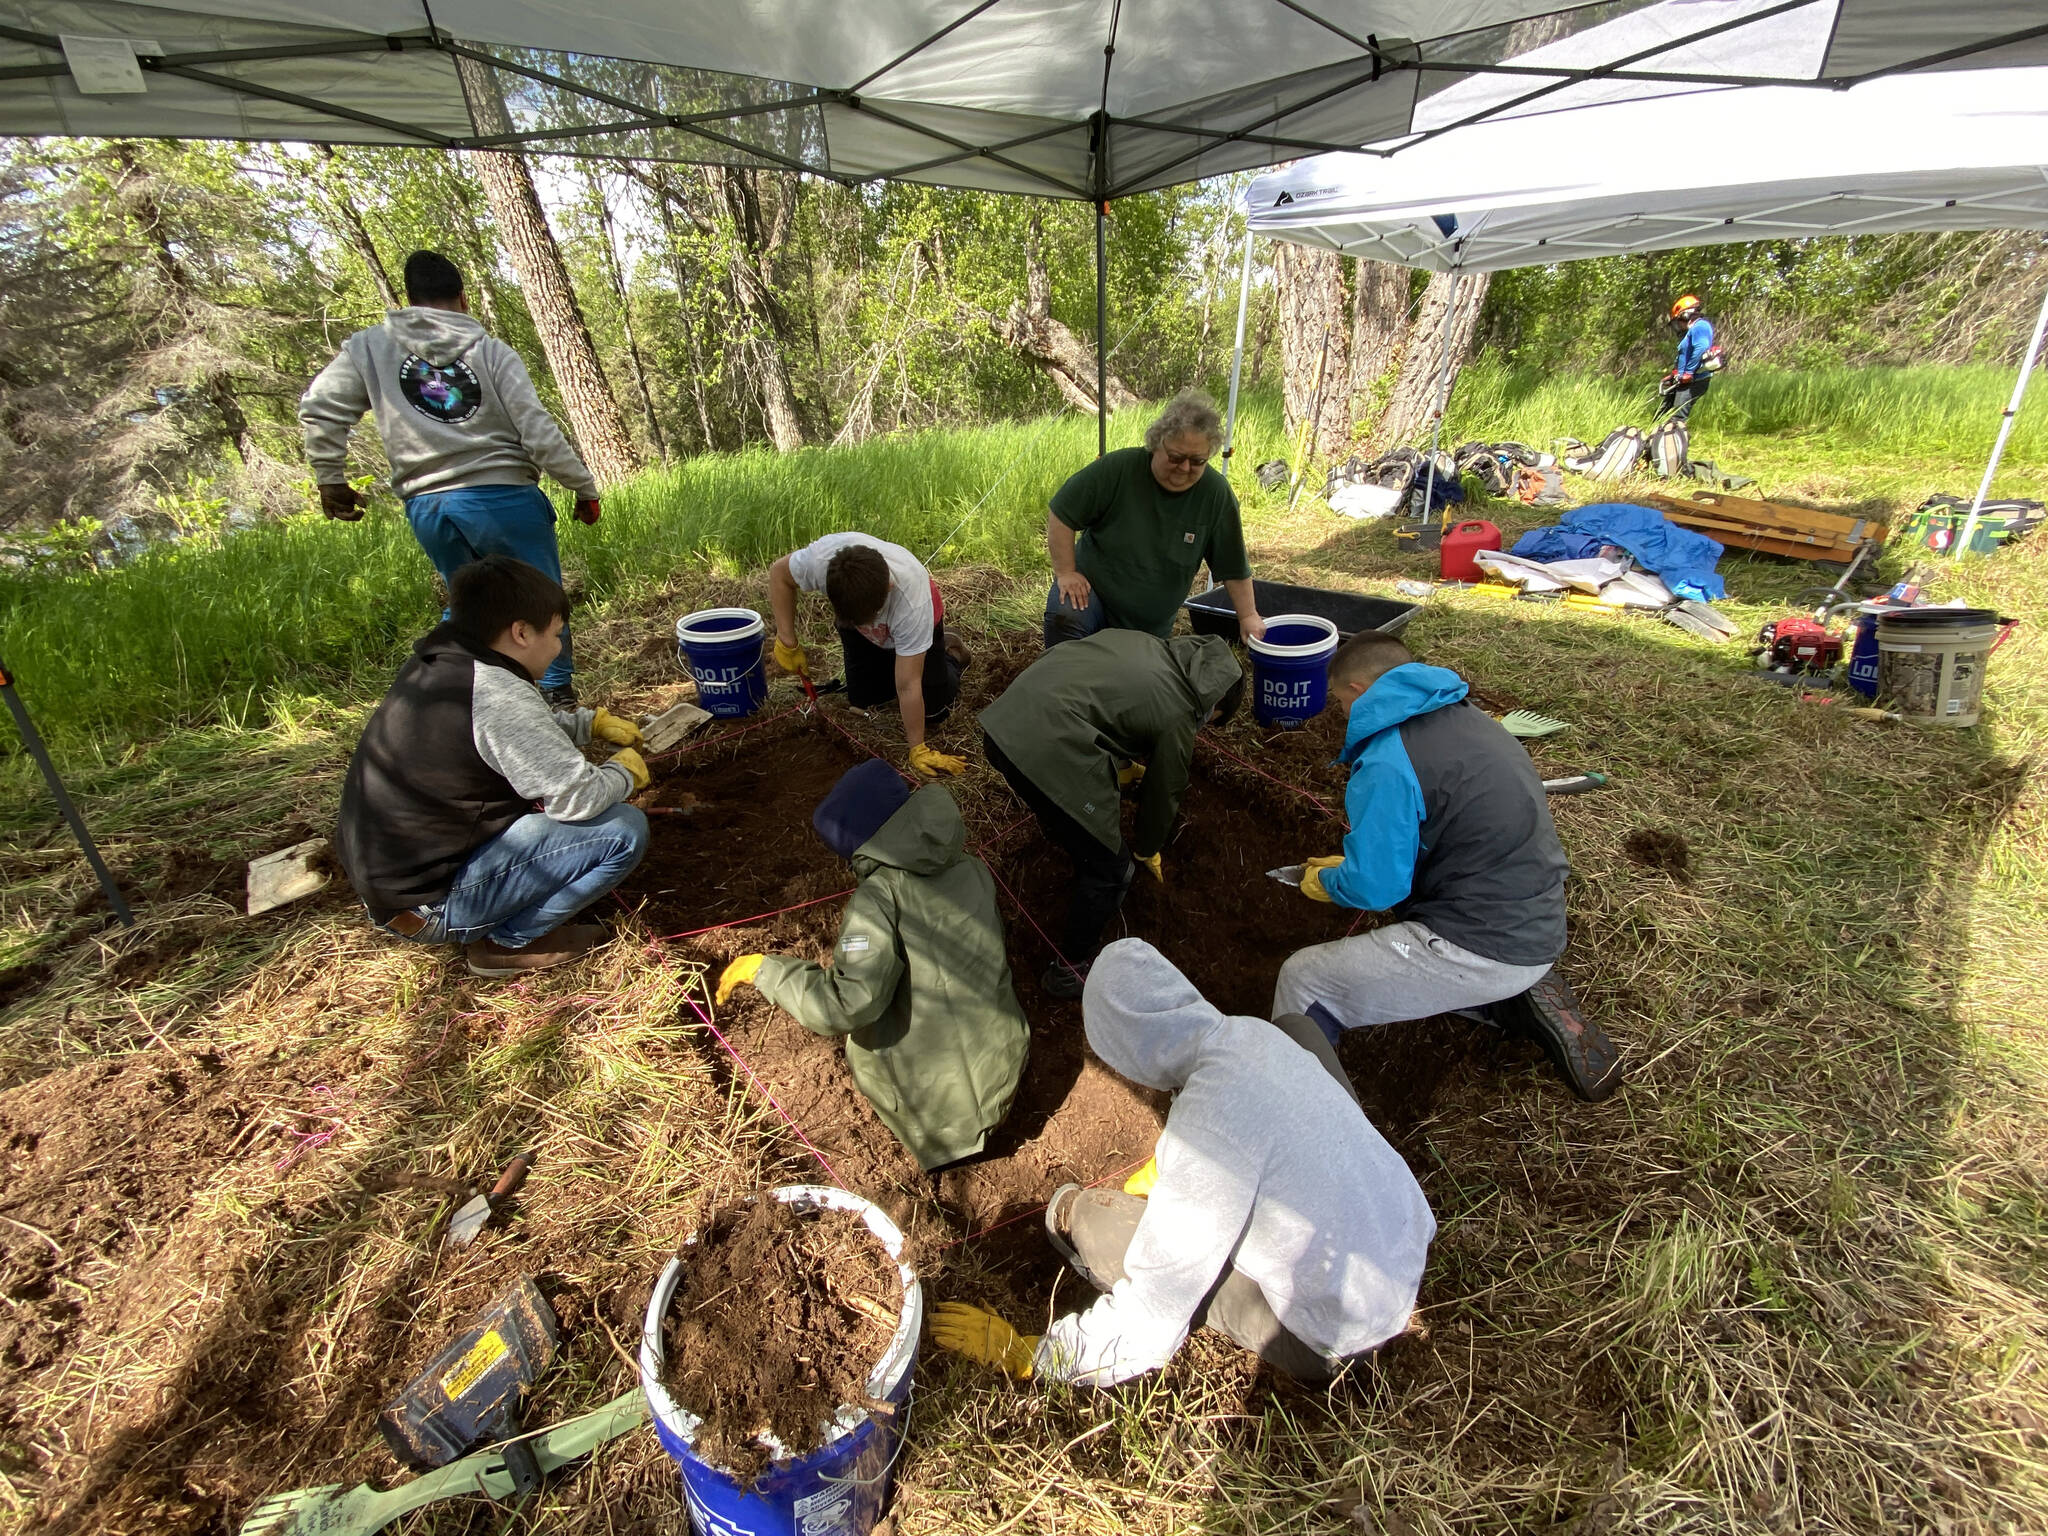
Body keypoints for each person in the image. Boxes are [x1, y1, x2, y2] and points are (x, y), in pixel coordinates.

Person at [930, 938, 1435, 1387]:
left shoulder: (1210, 1137)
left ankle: (1313, 1358)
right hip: (1407, 1239)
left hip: (1335, 1333)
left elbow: (1151, 1321)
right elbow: (1250, 1119)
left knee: (1093, 1219)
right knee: (1299, 1029)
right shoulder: (1250, 1034)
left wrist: (1035, 1357)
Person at [1273, 631, 1622, 1101]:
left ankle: (1301, 1110)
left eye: (1338, 702)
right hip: (1536, 922)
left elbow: (1375, 890)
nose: (1340, 714)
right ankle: (1507, 1001)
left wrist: (1328, 881)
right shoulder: (1472, 721)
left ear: (1356, 690)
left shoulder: (1387, 760)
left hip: (1482, 943)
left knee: (1303, 978)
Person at [301, 251, 602, 707]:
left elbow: (321, 407)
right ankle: (556, 698)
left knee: (470, 608)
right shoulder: (491, 352)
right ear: (463, 298)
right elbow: (536, 430)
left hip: (430, 506)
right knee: (542, 602)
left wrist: (330, 477)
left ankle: (461, 699)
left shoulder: (370, 348)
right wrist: (582, 486)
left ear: (409, 299)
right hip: (503, 497)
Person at [335, 555, 651, 978]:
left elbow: (500, 732)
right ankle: (508, 942)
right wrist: (624, 772)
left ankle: (489, 912)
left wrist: (586, 724)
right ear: (521, 632)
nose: (558, 647)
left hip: (396, 881)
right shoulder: (496, 693)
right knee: (622, 830)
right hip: (429, 904)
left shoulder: (446, 660)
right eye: (556, 635)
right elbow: (579, 799)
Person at [712, 759, 1030, 1172]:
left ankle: (949, 1150)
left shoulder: (879, 899)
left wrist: (765, 970)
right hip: (1003, 1060)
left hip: (944, 1110)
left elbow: (847, 1005)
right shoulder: (968, 865)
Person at [979, 630, 1244, 1000]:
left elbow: (1107, 702)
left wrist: (1117, 762)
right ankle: (1069, 971)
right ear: (1214, 705)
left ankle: (1072, 840)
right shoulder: (1181, 709)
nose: (1204, 728)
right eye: (1212, 722)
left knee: (1075, 827)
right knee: (1110, 868)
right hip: (1042, 747)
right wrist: (1148, 846)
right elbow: (1164, 789)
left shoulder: (1146, 646)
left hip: (1006, 722)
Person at [1044, 390, 1264, 649]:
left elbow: (1234, 566)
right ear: (1156, 443)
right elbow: (1062, 512)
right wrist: (1066, 572)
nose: (1184, 468)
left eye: (1197, 461)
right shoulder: (1118, 469)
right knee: (1066, 616)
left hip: (1148, 627)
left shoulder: (1215, 494)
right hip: (1092, 598)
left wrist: (1248, 616)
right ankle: (1063, 683)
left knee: (1130, 682)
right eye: (1176, 457)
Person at [768, 533, 968, 779]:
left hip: (918, 625)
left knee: (935, 712)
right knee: (864, 700)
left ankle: (950, 653)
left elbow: (907, 684)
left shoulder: (912, 600)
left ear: (888, 588)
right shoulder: (821, 561)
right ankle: (887, 657)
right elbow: (779, 575)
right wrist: (786, 639)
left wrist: (917, 747)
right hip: (859, 625)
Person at [1657, 294, 1715, 425]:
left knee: (1677, 417)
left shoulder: (1701, 326)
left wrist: (1688, 372)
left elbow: (1701, 348)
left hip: (1695, 380)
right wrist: (1676, 373)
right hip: (1684, 380)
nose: (1678, 326)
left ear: (1686, 315)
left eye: (1678, 321)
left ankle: (1674, 442)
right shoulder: (1690, 331)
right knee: (1664, 412)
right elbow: (1684, 355)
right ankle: (1656, 440)